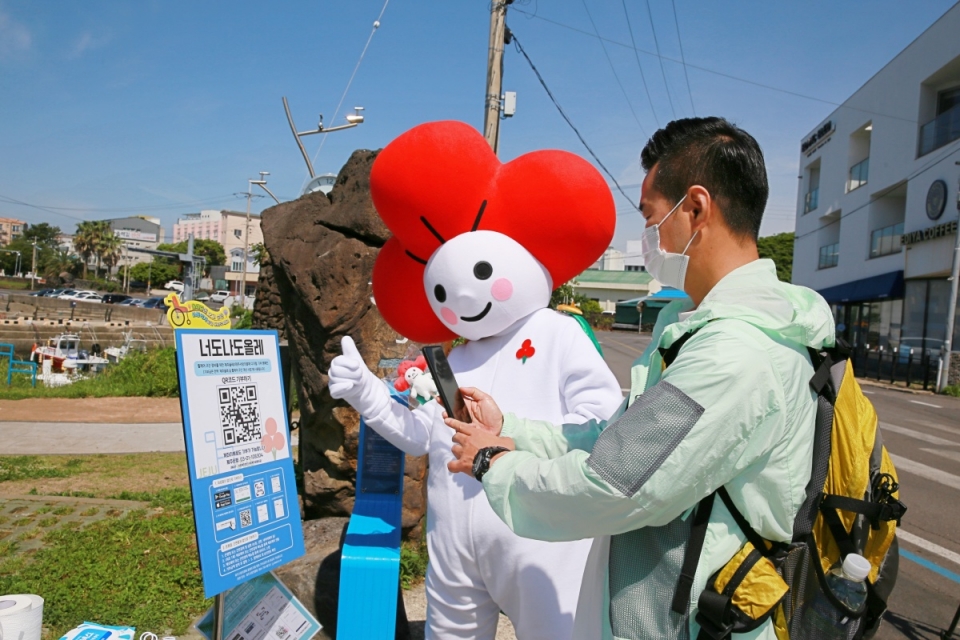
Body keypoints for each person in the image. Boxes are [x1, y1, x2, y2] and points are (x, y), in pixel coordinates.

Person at [445, 116, 836, 640]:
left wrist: (494, 463)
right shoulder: (705, 329)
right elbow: (623, 439)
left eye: (652, 218)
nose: (648, 237)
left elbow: (614, 483)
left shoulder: (733, 354)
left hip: (703, 622)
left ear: (695, 209)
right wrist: (512, 431)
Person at [327, 121, 625, 640]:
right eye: (443, 288)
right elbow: (420, 434)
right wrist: (365, 391)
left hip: (544, 540)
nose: (461, 297)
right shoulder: (454, 358)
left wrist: (511, 433)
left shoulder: (558, 333)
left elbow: (601, 428)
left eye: (482, 274)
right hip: (454, 546)